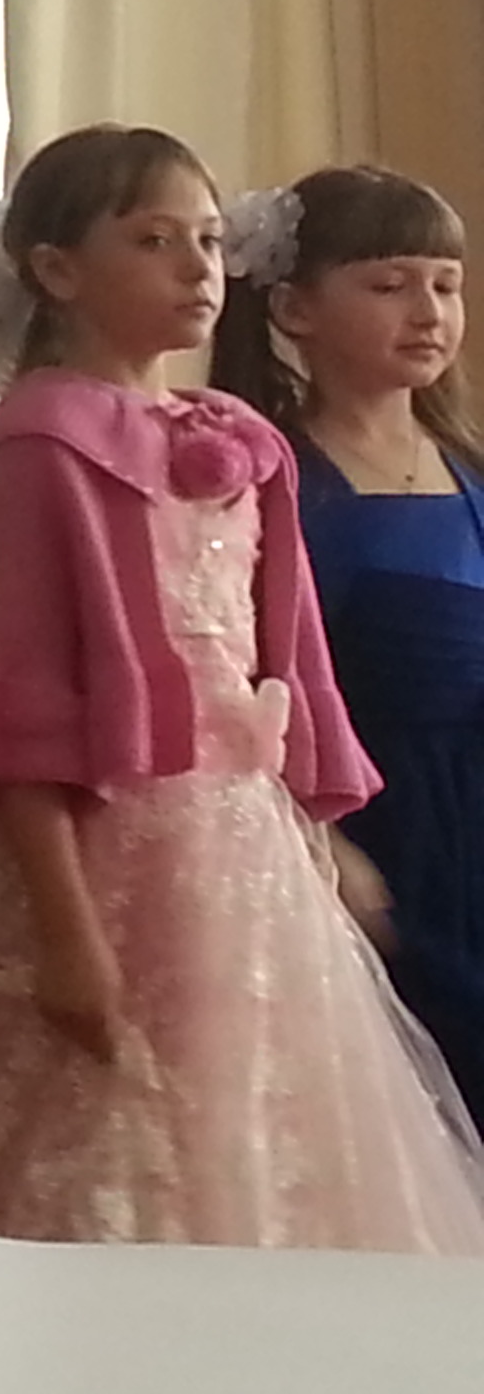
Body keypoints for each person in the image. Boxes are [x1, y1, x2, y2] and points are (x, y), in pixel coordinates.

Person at [0, 123, 484, 1254]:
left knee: (254, 1125)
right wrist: (69, 937)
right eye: (155, 241)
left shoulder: (238, 439)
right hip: (108, 851)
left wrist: (314, 827)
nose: (197, 268)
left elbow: (285, 660)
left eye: (208, 240)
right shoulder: (43, 444)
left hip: (242, 849)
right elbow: (21, 703)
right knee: (110, 1134)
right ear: (58, 270)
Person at [210, 165, 484, 1111]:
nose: (429, 312)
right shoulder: (275, 479)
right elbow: (245, 683)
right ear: (295, 308)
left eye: (446, 285)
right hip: (377, 821)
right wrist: (322, 840)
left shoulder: (468, 470)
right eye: (389, 284)